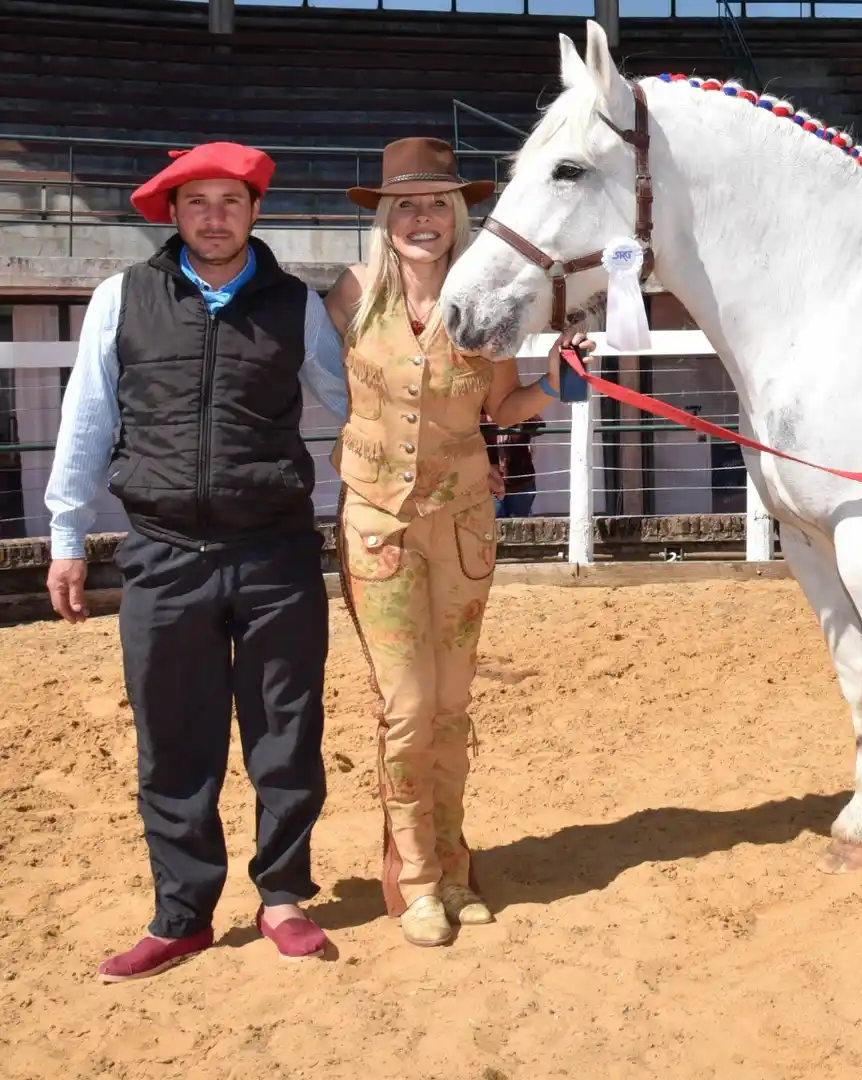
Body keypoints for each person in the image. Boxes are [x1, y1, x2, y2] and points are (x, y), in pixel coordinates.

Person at [44, 141, 350, 981]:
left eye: (231, 201)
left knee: (286, 733)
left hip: (276, 552)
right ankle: (181, 915)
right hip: (163, 554)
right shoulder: (121, 297)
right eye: (198, 203)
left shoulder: (297, 305)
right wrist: (67, 536)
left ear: (255, 211)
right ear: (174, 212)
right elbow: (87, 418)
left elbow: (355, 402)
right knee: (173, 740)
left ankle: (282, 895)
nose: (215, 218)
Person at [323, 137, 592, 947]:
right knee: (406, 708)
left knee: (450, 708)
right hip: (378, 527)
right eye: (405, 204)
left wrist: (555, 384)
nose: (422, 218)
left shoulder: (486, 300)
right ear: (384, 217)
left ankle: (453, 867)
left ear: (458, 215)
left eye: (437, 204)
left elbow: (501, 410)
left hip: (465, 526)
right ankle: (413, 879)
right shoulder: (349, 293)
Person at [487, 415, 543, 518]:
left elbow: (540, 425)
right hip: (491, 486)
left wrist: (518, 416)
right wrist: (490, 418)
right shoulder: (485, 421)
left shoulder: (520, 417)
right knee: (495, 522)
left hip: (521, 485)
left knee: (518, 524)